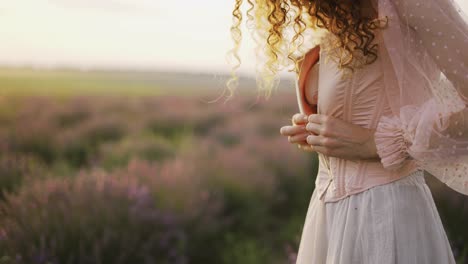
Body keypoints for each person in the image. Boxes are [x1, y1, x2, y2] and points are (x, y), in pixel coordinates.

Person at [226, 0, 468, 263]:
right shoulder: (330, 12)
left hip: (386, 218)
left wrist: (378, 143)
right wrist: (322, 132)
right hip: (327, 216)